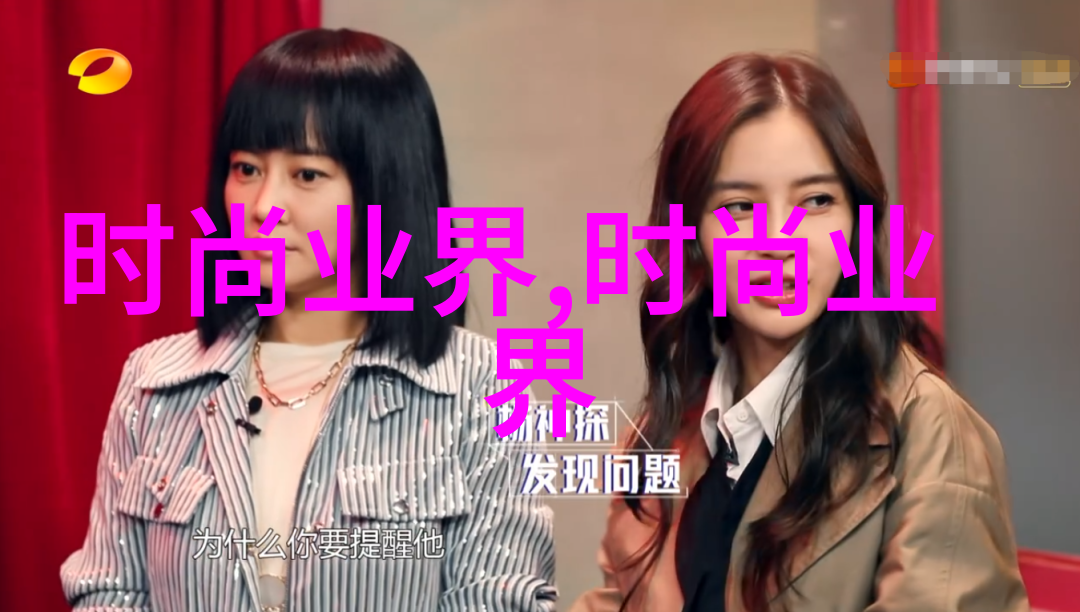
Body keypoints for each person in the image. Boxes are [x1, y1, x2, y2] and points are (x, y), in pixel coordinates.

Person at [61, 28, 557, 612]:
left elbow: (499, 599)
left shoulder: (486, 387)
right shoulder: (154, 383)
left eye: (307, 175)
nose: (264, 207)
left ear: (386, 187)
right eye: (247, 169)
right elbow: (110, 590)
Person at [568, 53, 1030, 612]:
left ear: (857, 221)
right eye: (740, 207)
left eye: (816, 201)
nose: (779, 242)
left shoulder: (930, 430)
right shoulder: (670, 430)